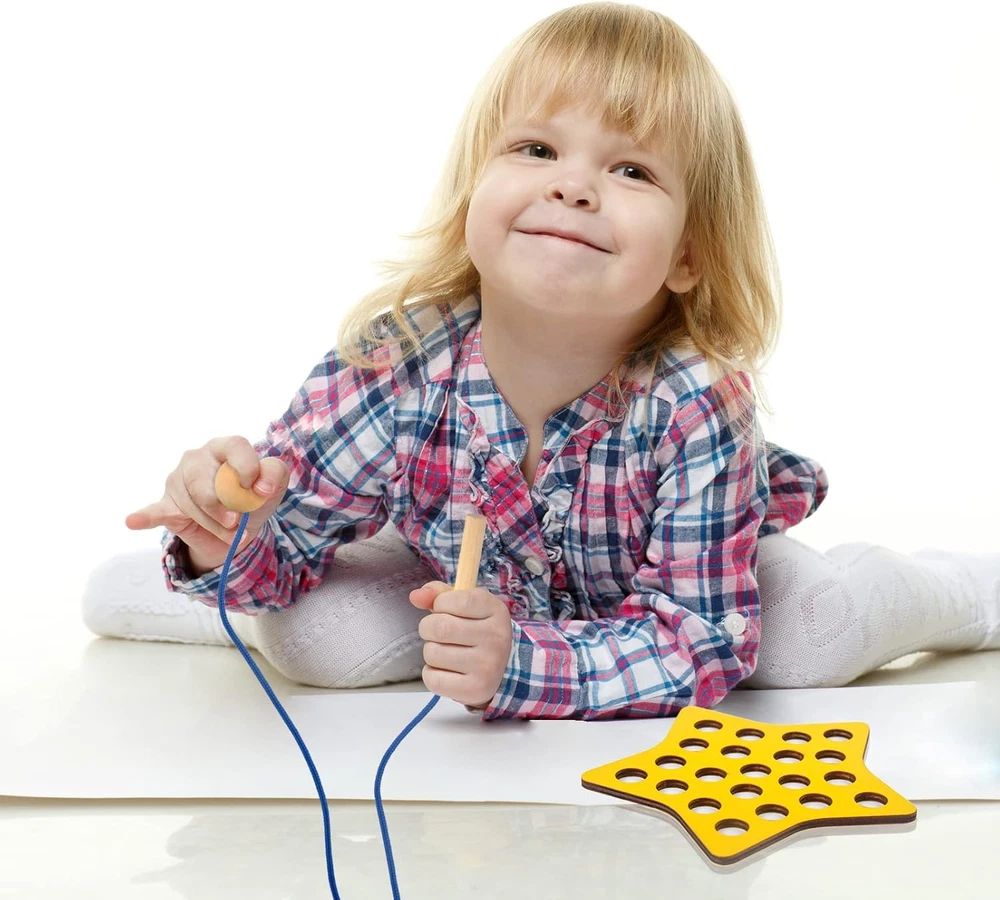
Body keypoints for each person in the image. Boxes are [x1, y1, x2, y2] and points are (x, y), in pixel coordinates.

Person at [83, 2, 999, 720]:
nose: (573, 185)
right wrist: (228, 532)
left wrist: (521, 666)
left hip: (689, 583)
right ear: (473, 196)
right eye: (535, 148)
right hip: (471, 579)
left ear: (688, 255)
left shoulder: (694, 402)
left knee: (804, 643)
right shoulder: (399, 361)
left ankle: (954, 592)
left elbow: (702, 642)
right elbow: (287, 538)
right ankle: (188, 595)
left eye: (632, 170)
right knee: (317, 642)